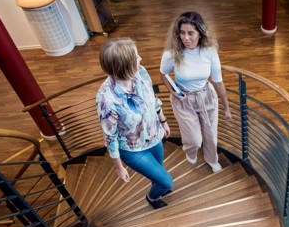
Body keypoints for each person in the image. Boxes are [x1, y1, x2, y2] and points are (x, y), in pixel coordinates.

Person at [96, 38, 173, 210]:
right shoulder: (107, 100)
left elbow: (153, 100)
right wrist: (119, 168)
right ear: (124, 65)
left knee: (159, 173)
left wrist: (163, 120)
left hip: (154, 136)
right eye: (136, 57)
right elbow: (110, 137)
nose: (140, 59)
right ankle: (153, 197)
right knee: (167, 181)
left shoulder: (141, 73)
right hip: (133, 149)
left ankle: (159, 186)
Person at [160, 12, 231, 173]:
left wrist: (226, 107)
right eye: (182, 33)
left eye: (190, 33)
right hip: (184, 100)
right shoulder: (171, 53)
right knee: (193, 139)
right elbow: (163, 73)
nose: (186, 38)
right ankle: (190, 151)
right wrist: (172, 91)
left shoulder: (209, 52)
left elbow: (218, 81)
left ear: (200, 33)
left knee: (210, 135)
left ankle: (212, 160)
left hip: (206, 96)